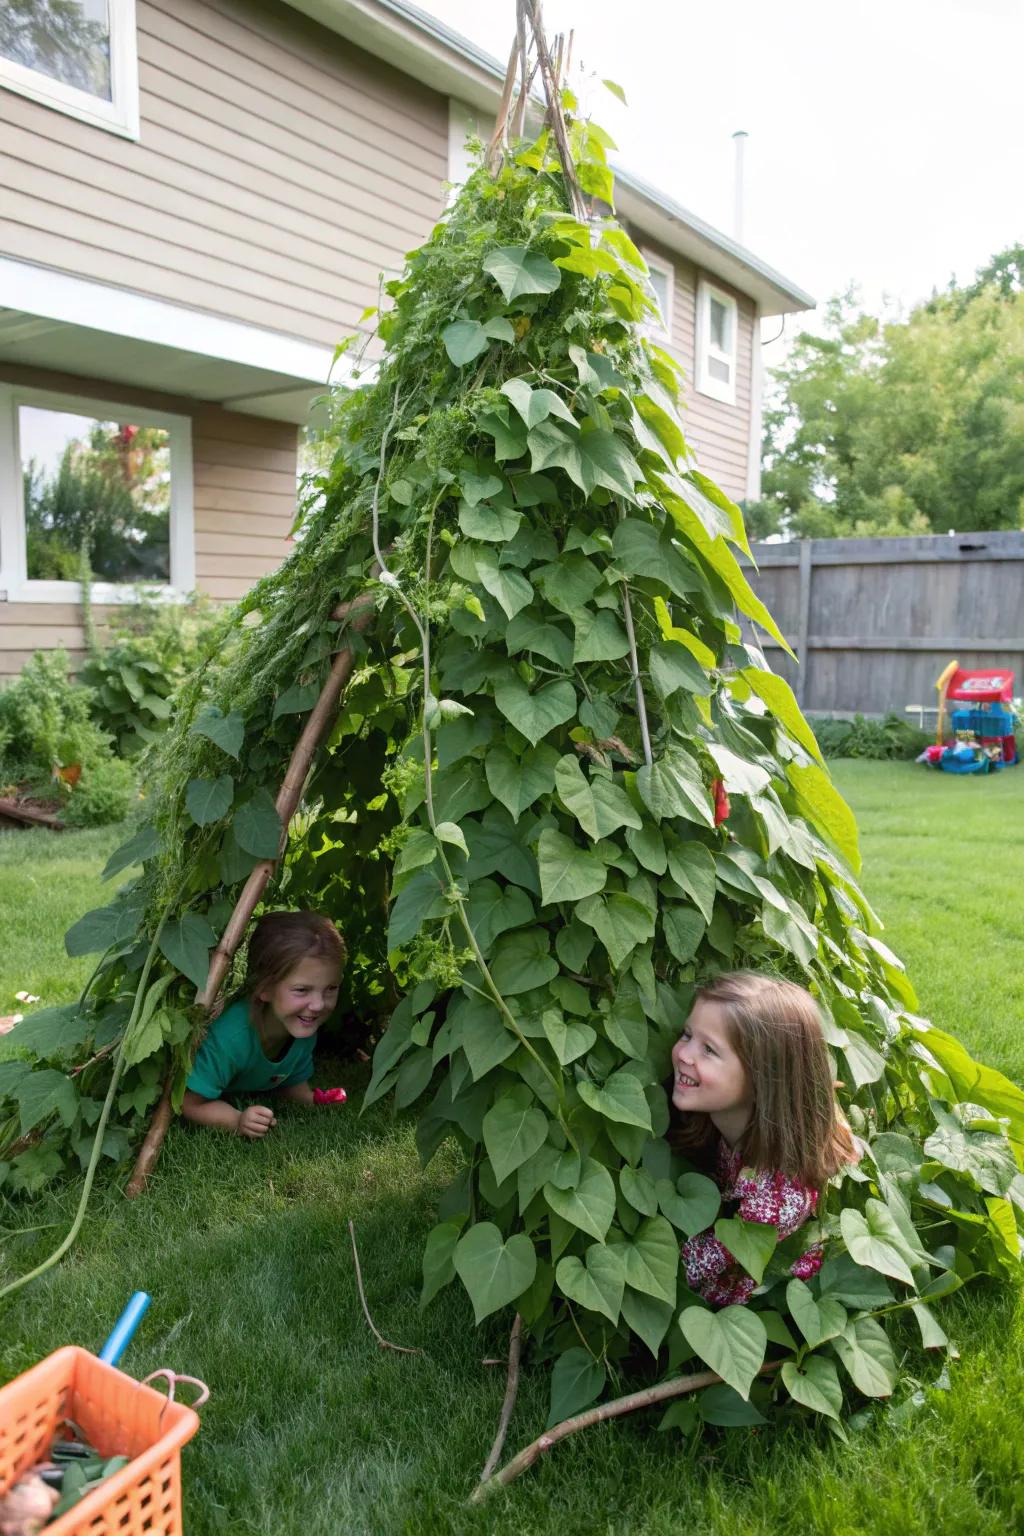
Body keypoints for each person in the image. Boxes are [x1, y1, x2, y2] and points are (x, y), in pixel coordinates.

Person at [671, 970, 858, 1306]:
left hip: (765, 1291)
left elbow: (689, 1267)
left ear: (762, 1078)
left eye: (709, 1050)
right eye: (687, 1035)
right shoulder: (723, 1115)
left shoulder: (776, 1198)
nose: (685, 1054)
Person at [181, 910, 348, 1138]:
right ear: (265, 988)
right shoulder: (231, 1038)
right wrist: (237, 1120)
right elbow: (190, 1103)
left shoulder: (302, 1023)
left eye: (331, 988)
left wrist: (310, 1099)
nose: (318, 1005)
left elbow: (291, 1078)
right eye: (302, 990)